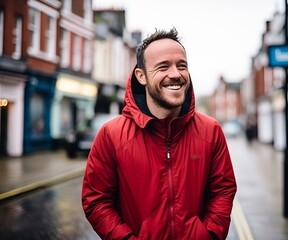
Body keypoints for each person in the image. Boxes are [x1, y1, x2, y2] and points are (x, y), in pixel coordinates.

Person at [82, 27, 237, 240]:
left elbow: (223, 191)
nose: (175, 74)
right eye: (163, 67)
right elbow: (96, 201)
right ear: (141, 76)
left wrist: (207, 235)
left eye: (181, 66)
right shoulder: (111, 135)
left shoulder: (211, 130)